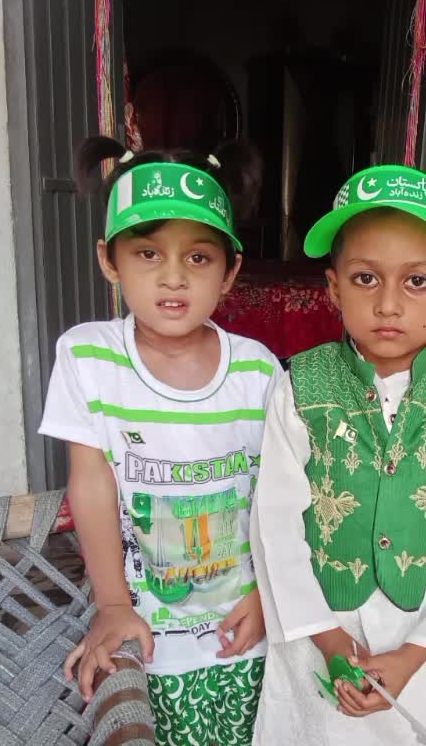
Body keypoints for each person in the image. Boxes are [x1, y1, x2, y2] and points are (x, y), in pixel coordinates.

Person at [250, 164, 426, 745]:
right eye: (366, 278)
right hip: (319, 630)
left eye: (417, 281)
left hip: (424, 641)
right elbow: (275, 526)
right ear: (334, 287)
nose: (388, 304)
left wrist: (414, 655)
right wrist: (327, 639)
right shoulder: (299, 388)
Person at [39, 137, 281, 746]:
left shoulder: (257, 369)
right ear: (110, 260)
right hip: (147, 638)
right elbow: (91, 483)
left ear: (230, 271)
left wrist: (267, 593)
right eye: (147, 253)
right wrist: (112, 605)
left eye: (198, 257)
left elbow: (281, 493)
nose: (173, 277)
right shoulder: (88, 358)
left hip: (247, 630)